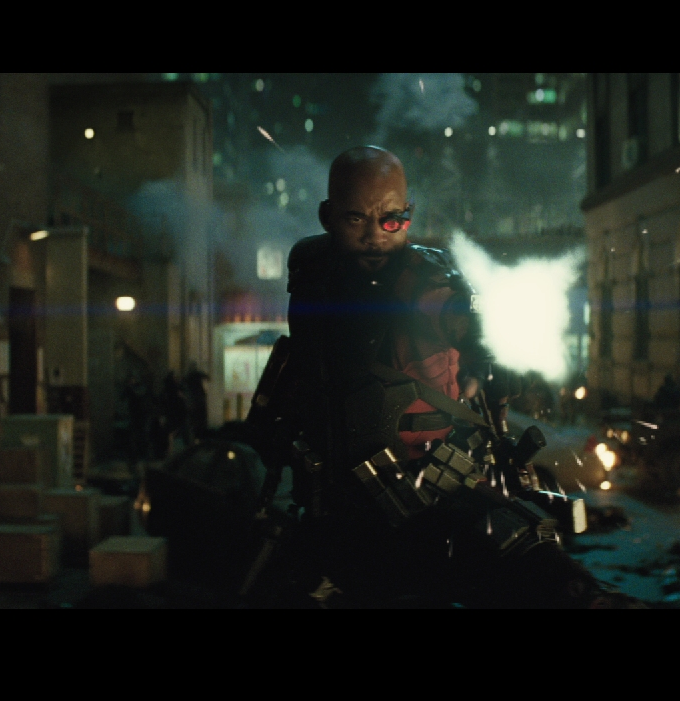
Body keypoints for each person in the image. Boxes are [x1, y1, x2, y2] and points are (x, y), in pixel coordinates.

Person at [246, 146, 635, 608]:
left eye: (391, 220)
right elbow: (306, 363)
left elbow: (477, 331)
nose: (374, 235)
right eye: (356, 219)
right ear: (327, 216)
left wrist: (486, 357)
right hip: (336, 507)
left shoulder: (429, 284)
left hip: (427, 501)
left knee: (535, 571)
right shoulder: (312, 271)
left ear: (407, 216)